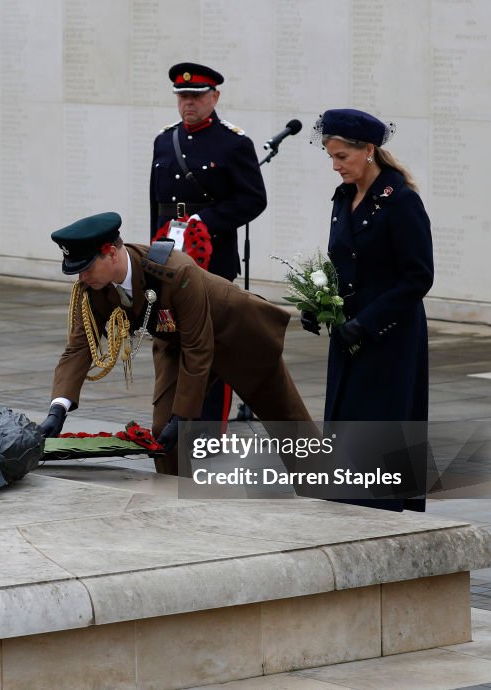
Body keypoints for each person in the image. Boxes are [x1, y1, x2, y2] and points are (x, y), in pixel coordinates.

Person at [38, 211, 312, 477]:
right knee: (163, 430)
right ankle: (174, 498)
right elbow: (79, 346)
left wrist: (183, 416)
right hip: (176, 340)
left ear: (110, 252)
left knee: (289, 424)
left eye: (85, 268)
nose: (81, 278)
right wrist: (58, 409)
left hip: (237, 335)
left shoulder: (175, 270)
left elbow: (199, 347)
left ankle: (328, 490)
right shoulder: (95, 287)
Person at [304, 108, 434, 511]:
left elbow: (418, 277)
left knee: (380, 423)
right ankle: (347, 506)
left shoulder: (401, 201)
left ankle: (381, 514)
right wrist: (317, 304)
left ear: (369, 150)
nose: (335, 166)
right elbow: (338, 262)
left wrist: (368, 323)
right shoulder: (344, 198)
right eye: (330, 156)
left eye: (341, 156)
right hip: (348, 332)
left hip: (389, 336)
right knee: (347, 422)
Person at [149, 62, 268, 424]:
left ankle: (208, 423)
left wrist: (206, 222)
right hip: (169, 255)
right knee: (169, 338)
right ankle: (169, 416)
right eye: (183, 96)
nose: (189, 103)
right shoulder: (163, 140)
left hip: (210, 258)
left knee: (209, 344)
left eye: (197, 96)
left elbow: (253, 199)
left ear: (214, 97)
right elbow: (156, 203)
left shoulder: (233, 143)